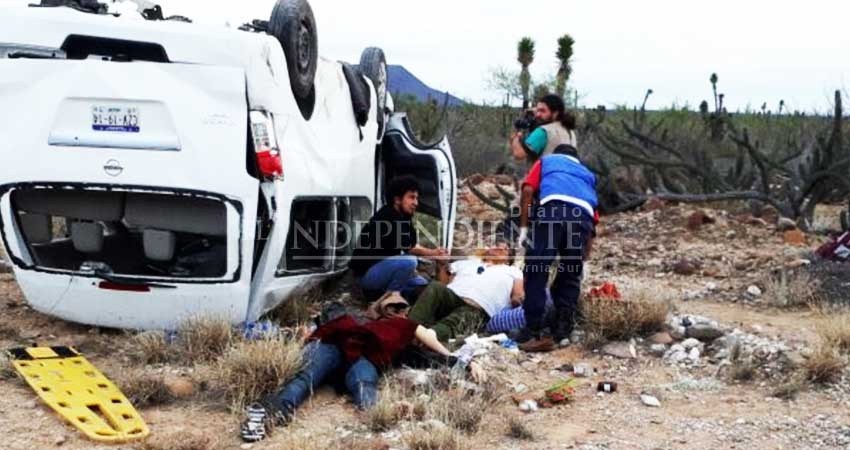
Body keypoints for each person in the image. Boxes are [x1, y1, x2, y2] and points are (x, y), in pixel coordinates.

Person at [240, 293, 453, 442]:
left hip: (336, 346)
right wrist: (450, 355)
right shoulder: (400, 324)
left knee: (308, 378)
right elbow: (427, 335)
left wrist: (451, 359)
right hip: (354, 351)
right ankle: (376, 421)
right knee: (361, 384)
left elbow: (312, 337)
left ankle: (271, 413)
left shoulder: (353, 320)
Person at [516, 145, 598, 353]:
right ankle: (563, 329)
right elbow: (593, 221)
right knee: (570, 273)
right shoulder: (587, 174)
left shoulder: (547, 161)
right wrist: (583, 258)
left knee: (537, 267)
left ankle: (533, 329)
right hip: (582, 218)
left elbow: (527, 190)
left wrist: (524, 228)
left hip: (552, 210)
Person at [350, 175, 448, 300]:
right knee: (409, 262)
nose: (416, 203)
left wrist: (435, 252)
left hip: (383, 269)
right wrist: (434, 253)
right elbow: (409, 249)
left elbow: (411, 244)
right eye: (411, 197)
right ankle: (390, 301)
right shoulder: (386, 217)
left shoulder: (404, 217)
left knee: (421, 284)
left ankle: (390, 293)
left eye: (417, 198)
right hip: (366, 276)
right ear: (397, 200)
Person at [408, 238, 524, 342]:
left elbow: (517, 295)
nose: (499, 248)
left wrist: (519, 302)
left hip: (478, 308)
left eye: (505, 249)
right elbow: (444, 284)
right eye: (496, 245)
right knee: (435, 287)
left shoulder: (513, 271)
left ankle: (422, 339)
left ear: (509, 259)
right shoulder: (466, 263)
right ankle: (407, 327)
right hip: (452, 298)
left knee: (454, 322)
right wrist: (441, 265)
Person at [510, 94, 579, 162]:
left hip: (545, 172)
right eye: (537, 110)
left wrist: (515, 138)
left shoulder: (543, 131)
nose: (537, 114)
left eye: (543, 111)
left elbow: (519, 154)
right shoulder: (570, 132)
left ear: (555, 113)